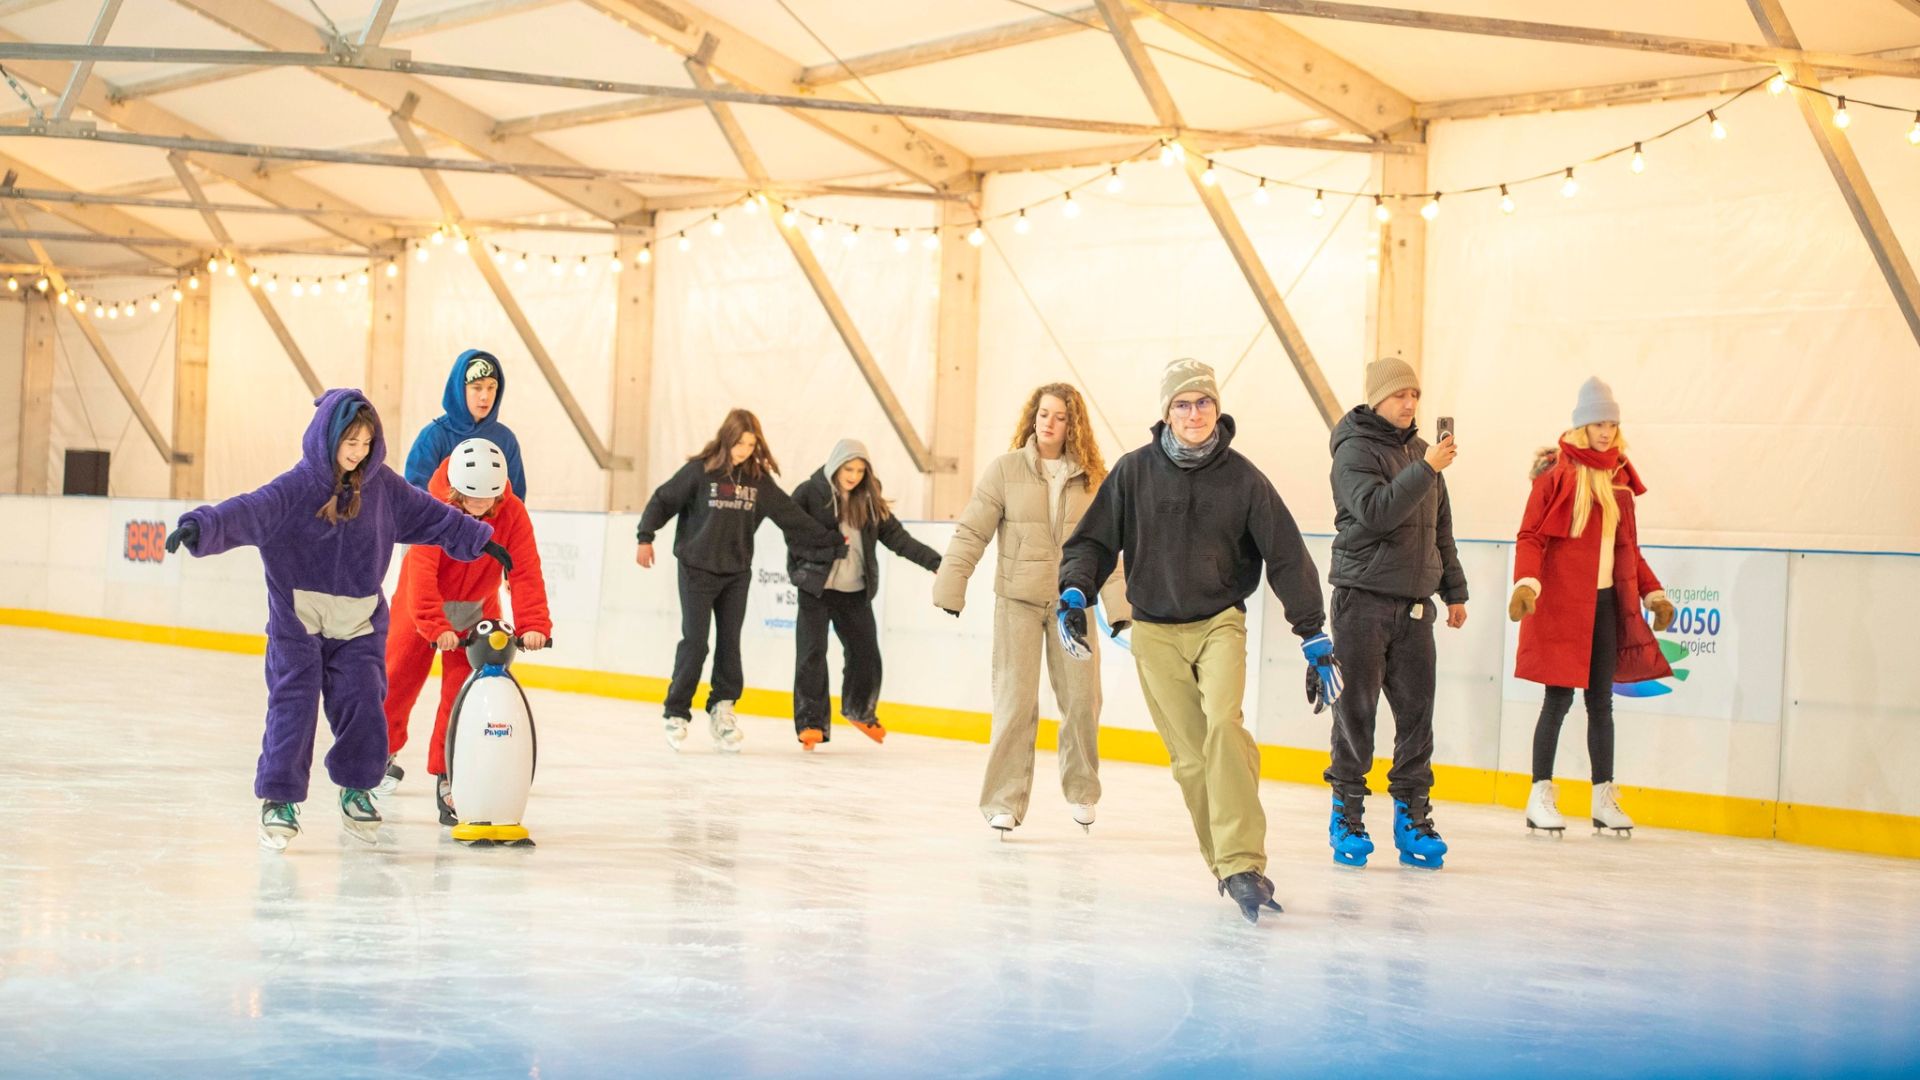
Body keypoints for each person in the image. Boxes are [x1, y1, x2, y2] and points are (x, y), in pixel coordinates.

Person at [1058, 359, 1338, 924]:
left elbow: (1286, 554)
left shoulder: (1243, 478)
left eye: (1203, 402)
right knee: (1190, 759)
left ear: (1217, 408)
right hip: (1154, 631)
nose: (1194, 413)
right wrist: (1074, 592)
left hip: (1219, 622)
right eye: (1182, 404)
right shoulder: (1134, 473)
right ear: (1167, 413)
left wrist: (1312, 631)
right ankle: (1228, 867)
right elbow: (1093, 542)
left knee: (1224, 729)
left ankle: (1242, 861)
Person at [163, 390, 507, 850]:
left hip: (358, 622)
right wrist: (202, 527)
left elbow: (432, 515)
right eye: (351, 441)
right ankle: (279, 800)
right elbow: (248, 510)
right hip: (298, 621)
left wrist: (479, 538)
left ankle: (357, 789)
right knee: (294, 705)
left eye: (366, 443)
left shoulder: (383, 488)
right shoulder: (296, 487)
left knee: (365, 703)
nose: (358, 452)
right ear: (329, 437)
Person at [932, 383, 1130, 838]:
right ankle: (1003, 801)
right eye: (1043, 414)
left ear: (1073, 425)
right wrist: (951, 584)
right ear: (1032, 417)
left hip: (1072, 604)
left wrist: (1118, 605)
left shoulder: (1093, 479)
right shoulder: (1005, 470)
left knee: (1082, 700)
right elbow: (972, 530)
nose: (1049, 423)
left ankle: (1082, 790)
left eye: (1060, 416)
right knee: (1014, 702)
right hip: (1016, 601)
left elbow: (1107, 549)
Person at [1509, 377, 1675, 836]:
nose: (1606, 432)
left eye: (1612, 424)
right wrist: (1527, 583)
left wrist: (1653, 593)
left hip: (1604, 606)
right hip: (1563, 605)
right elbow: (1531, 536)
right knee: (1557, 700)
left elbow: (1629, 550)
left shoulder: (1619, 479)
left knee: (1601, 702)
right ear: (1582, 426)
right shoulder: (1557, 475)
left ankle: (1603, 796)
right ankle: (1540, 794)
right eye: (1599, 424)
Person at [1323, 358, 1469, 870]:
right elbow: (1376, 512)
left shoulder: (1422, 452)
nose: (1409, 404)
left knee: (1416, 718)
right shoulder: (1354, 449)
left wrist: (1454, 590)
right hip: (1361, 601)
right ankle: (1347, 815)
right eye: (1400, 395)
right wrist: (1426, 468)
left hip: (1414, 607)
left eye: (1415, 395)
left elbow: (1440, 528)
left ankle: (1413, 818)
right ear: (1377, 398)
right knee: (1355, 713)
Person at [635, 409, 846, 753]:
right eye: (739, 443)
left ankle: (723, 708)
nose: (745, 450)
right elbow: (664, 499)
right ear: (726, 438)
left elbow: (790, 516)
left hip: (736, 573)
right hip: (696, 569)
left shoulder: (757, 480)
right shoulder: (700, 471)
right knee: (696, 642)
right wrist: (645, 536)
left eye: (751, 444)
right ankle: (676, 711)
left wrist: (831, 541)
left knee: (729, 644)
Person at [381, 438, 552, 825]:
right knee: (397, 680)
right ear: (456, 489)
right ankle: (380, 754)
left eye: (488, 498)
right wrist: (434, 624)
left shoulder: (513, 513)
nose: (479, 505)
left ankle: (448, 773)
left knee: (462, 694)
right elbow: (422, 571)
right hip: (420, 605)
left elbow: (525, 570)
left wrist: (533, 624)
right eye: (471, 497)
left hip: (478, 607)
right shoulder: (433, 507)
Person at [786, 439, 941, 750]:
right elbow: (793, 536)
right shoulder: (809, 493)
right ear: (835, 466)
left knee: (866, 654)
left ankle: (859, 710)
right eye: (849, 469)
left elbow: (897, 538)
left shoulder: (868, 500)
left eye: (860, 471)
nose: (854, 476)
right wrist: (827, 550)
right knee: (811, 655)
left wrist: (937, 563)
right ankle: (811, 723)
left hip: (854, 590)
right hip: (816, 588)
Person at [404, 349, 527, 500]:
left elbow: (515, 499)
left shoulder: (506, 439)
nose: (485, 396)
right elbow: (415, 497)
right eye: (477, 387)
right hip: (441, 515)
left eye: (491, 387)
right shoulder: (433, 437)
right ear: (460, 390)